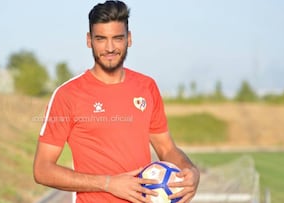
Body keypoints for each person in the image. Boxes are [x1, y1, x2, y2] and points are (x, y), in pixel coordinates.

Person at [33, 1, 200, 202]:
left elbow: (166, 148)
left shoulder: (147, 87)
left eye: (117, 38)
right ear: (89, 40)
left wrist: (190, 171)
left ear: (128, 39)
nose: (110, 48)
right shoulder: (67, 95)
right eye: (101, 39)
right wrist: (108, 183)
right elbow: (42, 169)